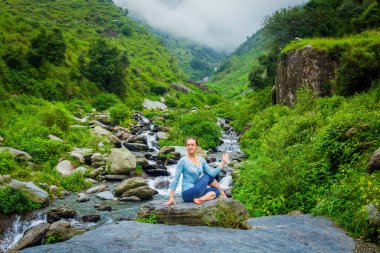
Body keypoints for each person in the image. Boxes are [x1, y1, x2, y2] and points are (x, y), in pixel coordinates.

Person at [163, 137, 229, 206]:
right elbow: (176, 179)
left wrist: (223, 163)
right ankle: (223, 194)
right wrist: (171, 197)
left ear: (196, 146)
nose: (190, 147)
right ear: (186, 147)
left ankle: (200, 199)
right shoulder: (182, 161)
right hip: (187, 193)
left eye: (192, 145)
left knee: (216, 190)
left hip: (197, 190)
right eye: (188, 145)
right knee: (207, 176)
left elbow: (213, 173)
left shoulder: (201, 160)